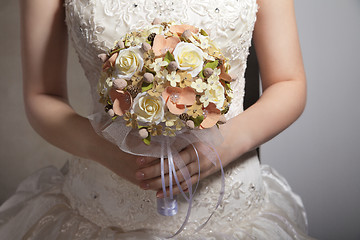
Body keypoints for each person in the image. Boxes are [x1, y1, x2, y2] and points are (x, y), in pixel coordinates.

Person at [0, 0, 315, 239]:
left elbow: (288, 83)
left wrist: (220, 148)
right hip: (102, 203)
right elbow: (42, 96)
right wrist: (109, 153)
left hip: (231, 204)